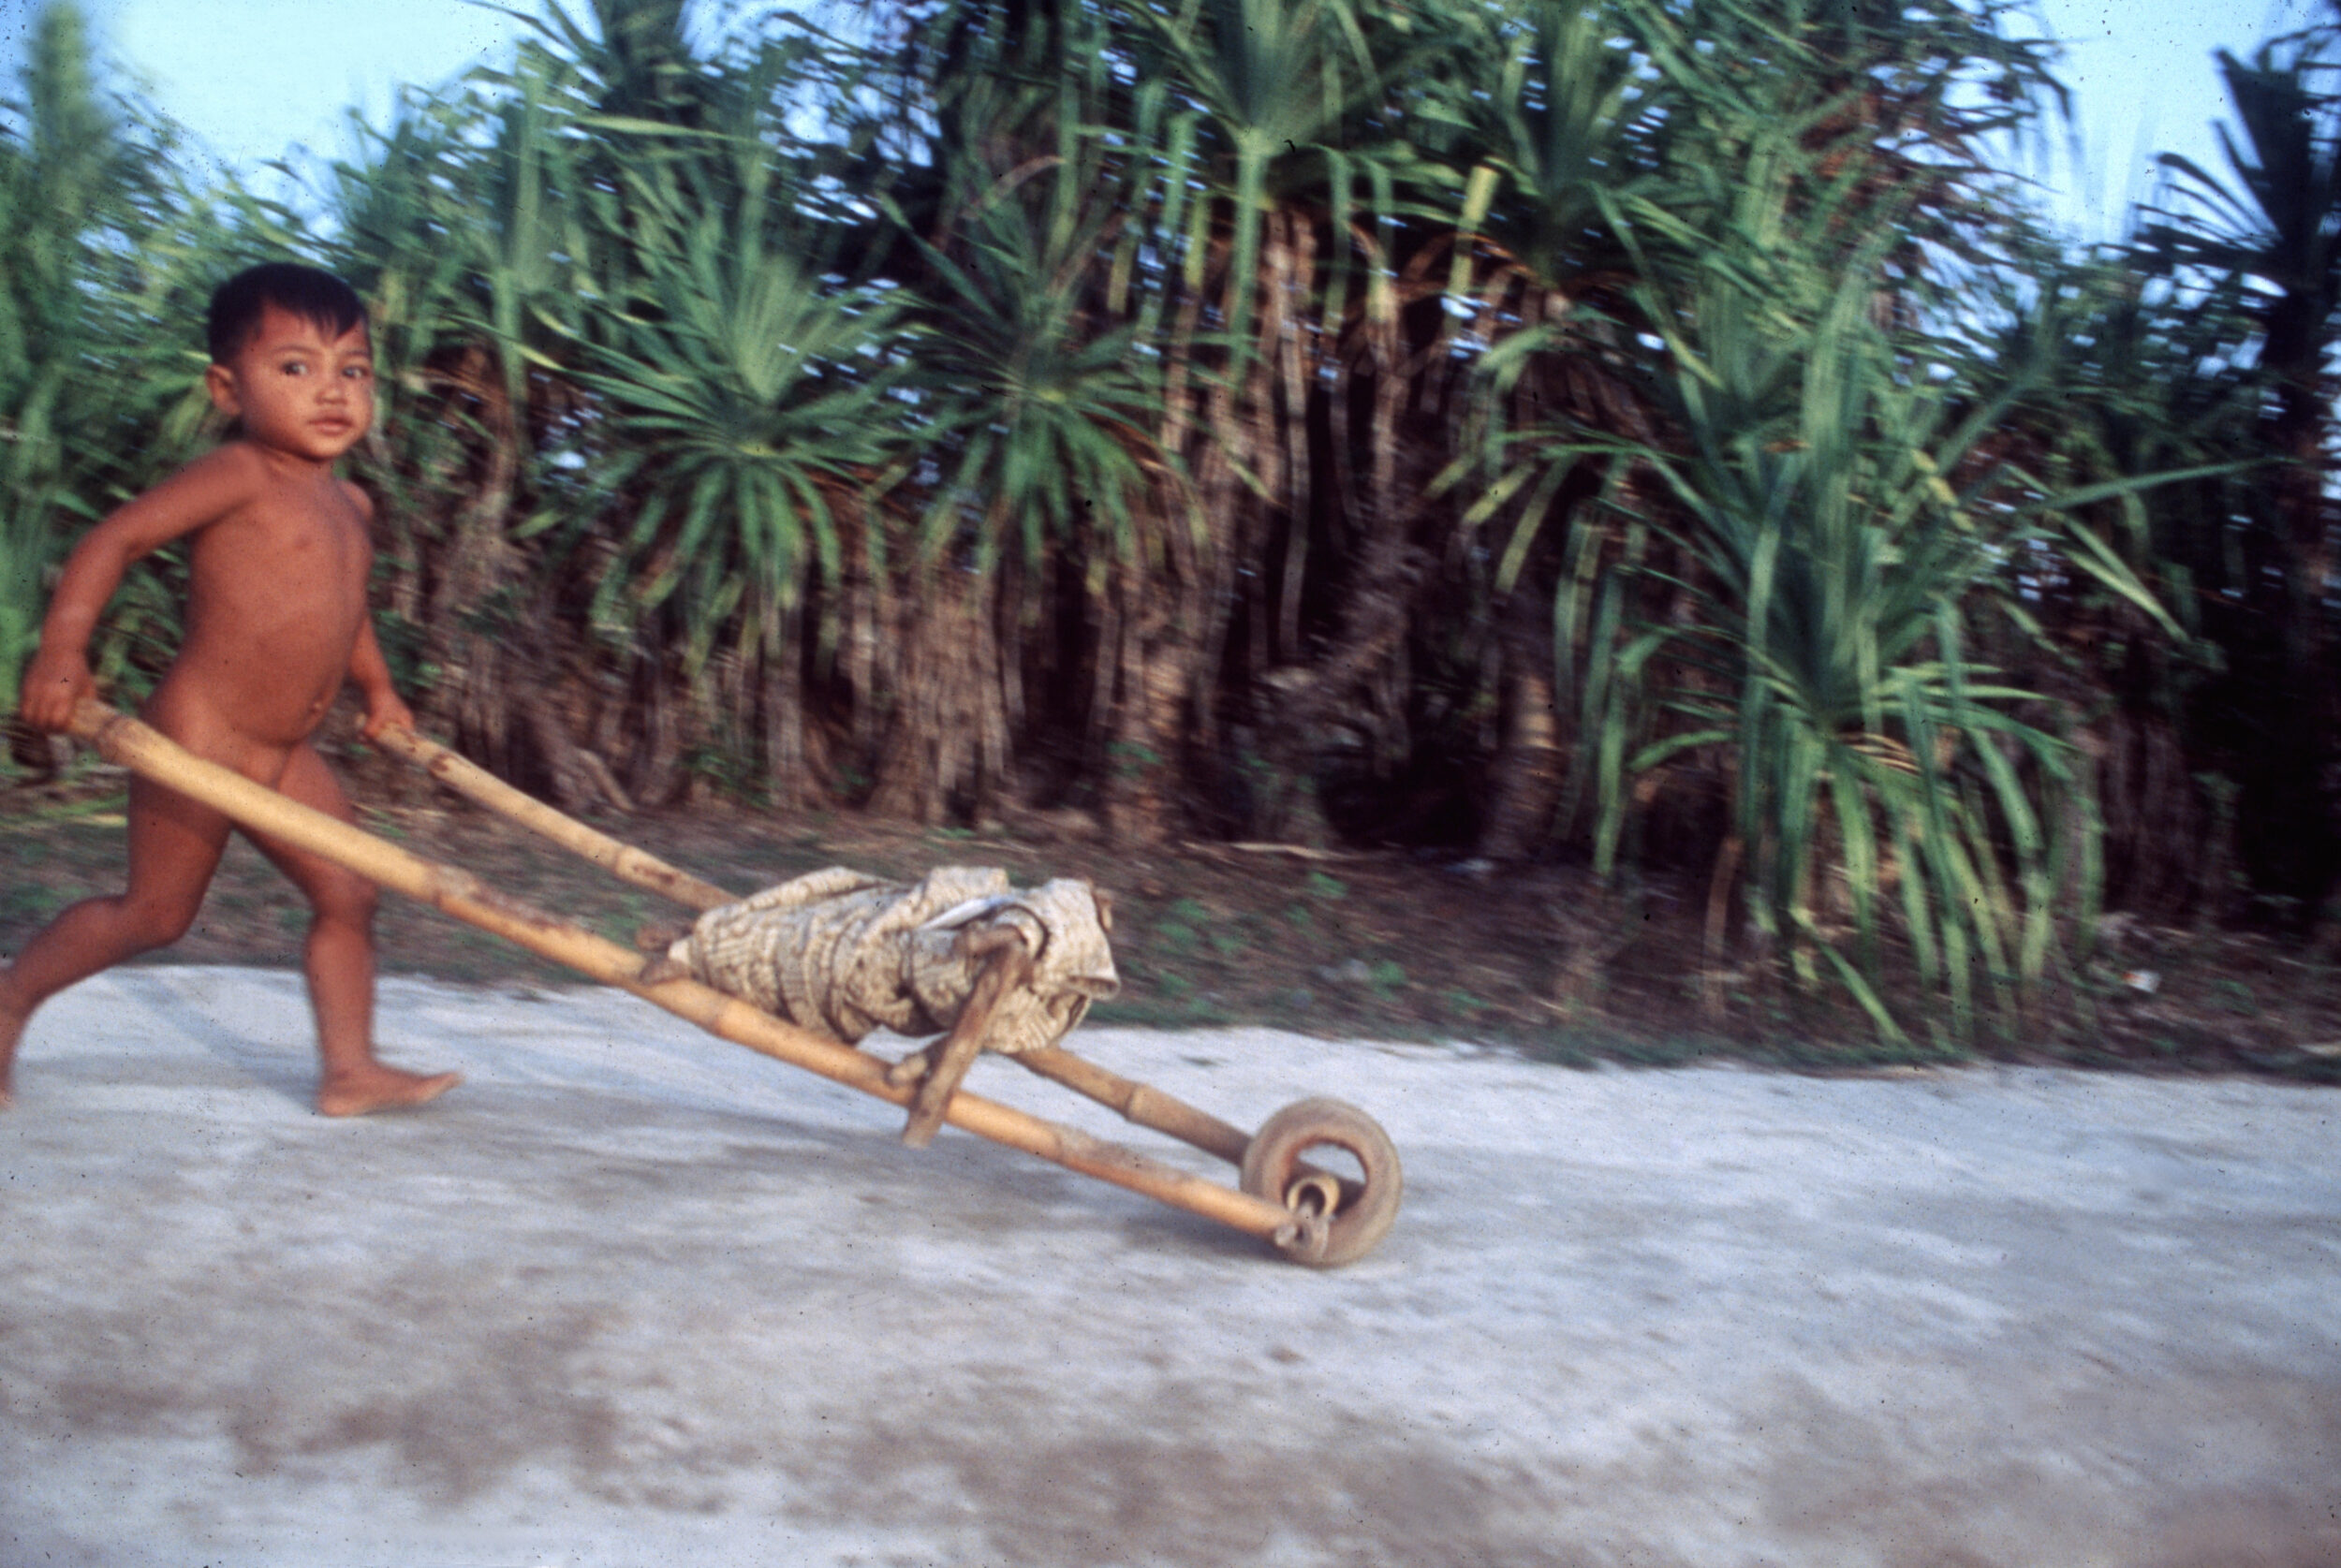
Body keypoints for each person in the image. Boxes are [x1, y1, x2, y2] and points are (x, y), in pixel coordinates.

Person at [0, 261, 459, 1116]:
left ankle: (350, 1069)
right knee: (154, 913)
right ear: (225, 387)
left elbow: (344, 609)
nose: (331, 392)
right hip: (197, 739)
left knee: (350, 891)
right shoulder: (240, 474)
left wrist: (380, 689)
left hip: (283, 750)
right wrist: (63, 649)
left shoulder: (350, 504)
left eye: (351, 371)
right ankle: (8, 1001)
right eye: (296, 367)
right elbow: (115, 539)